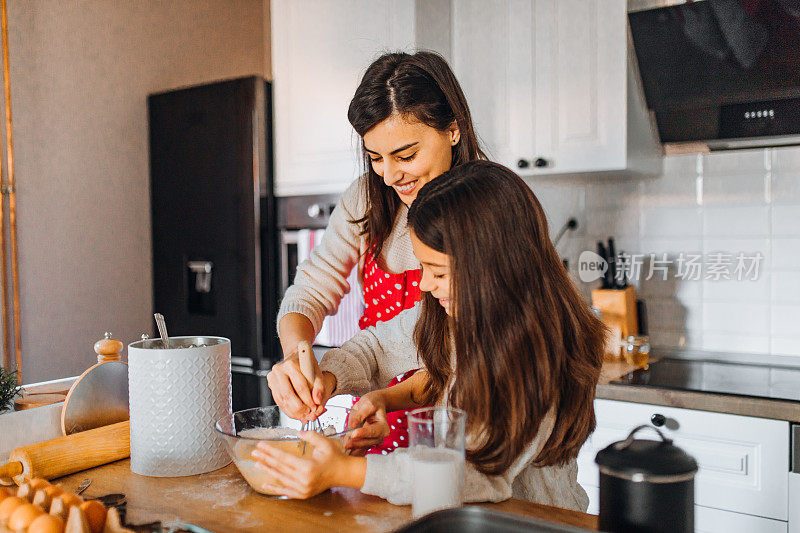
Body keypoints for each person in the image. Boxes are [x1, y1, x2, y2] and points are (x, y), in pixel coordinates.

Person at [253, 161, 606, 511]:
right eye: (422, 267)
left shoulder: (535, 351)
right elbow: (376, 347)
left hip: (538, 522)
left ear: (493, 267)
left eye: (438, 271)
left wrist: (345, 470)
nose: (423, 284)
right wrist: (331, 379)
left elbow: (474, 472)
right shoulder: (458, 313)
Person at [269, 51, 485, 453]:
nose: (389, 175)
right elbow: (315, 290)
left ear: (453, 129)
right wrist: (297, 360)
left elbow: (463, 356)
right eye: (375, 159)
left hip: (460, 413)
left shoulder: (488, 209)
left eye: (405, 156)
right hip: (373, 403)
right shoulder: (368, 199)